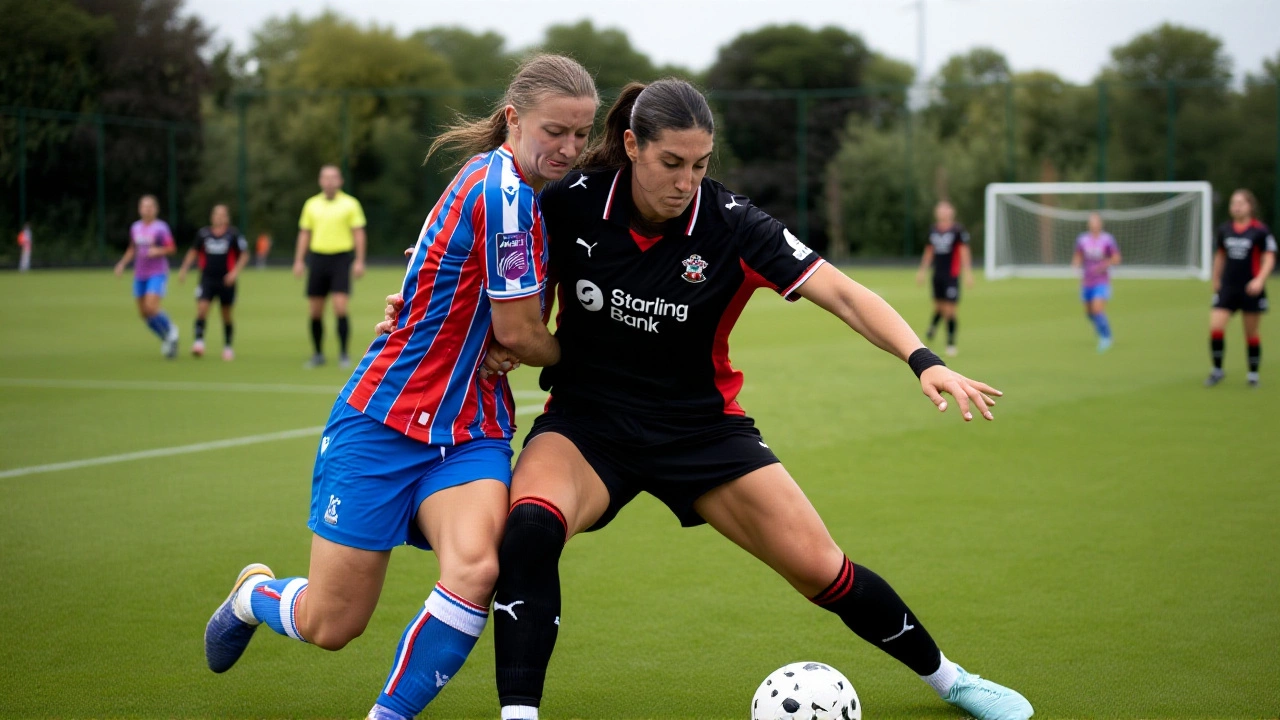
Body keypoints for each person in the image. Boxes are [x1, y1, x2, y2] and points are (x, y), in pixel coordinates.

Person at [381, 79, 1031, 720]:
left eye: (699, 165)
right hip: (587, 428)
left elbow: (844, 294)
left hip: (702, 434)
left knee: (822, 569)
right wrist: (414, 308)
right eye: (670, 163)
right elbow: (477, 266)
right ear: (631, 145)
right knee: (527, 531)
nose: (685, 181)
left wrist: (924, 360)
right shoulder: (572, 202)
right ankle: (518, 715)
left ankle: (953, 680)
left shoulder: (734, 225)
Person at [203, 55, 599, 720]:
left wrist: (500, 341)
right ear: (513, 120)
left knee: (476, 567)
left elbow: (462, 302)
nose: (568, 147)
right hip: (382, 422)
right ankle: (254, 597)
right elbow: (523, 332)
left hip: (470, 431)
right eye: (554, 130)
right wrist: (578, 357)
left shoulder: (533, 199)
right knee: (332, 623)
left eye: (581, 134)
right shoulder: (500, 192)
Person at [294, 165, 367, 368]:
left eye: (333, 177)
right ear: (320, 181)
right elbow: (305, 233)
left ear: (340, 181)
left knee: (340, 307)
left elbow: (358, 233)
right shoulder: (311, 205)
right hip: (317, 259)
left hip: (340, 259)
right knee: (315, 311)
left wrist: (359, 260)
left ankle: (343, 353)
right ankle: (318, 354)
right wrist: (299, 260)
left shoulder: (350, 204)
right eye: (325, 177)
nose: (329, 181)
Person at [1206, 188, 1276, 388]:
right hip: (1228, 287)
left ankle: (1253, 374)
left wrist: (1260, 280)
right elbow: (1220, 256)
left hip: (1250, 289)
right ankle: (1217, 370)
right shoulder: (1224, 230)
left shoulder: (1260, 231)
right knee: (1216, 327)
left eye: (1240, 203)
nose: (1236, 207)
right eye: (1233, 203)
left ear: (1250, 206)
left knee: (1251, 333)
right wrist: (1216, 279)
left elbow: (1269, 258)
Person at [177, 204, 249, 360]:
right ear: (212, 216)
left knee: (226, 315)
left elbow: (244, 255)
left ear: (227, 217)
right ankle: (199, 342)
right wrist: (184, 269)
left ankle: (228, 347)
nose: (219, 217)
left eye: (223, 214)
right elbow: (193, 252)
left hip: (226, 281)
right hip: (207, 279)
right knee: (202, 309)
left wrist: (234, 273)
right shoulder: (204, 234)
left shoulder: (233, 234)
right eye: (217, 214)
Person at [114, 195, 179, 358]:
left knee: (151, 306)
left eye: (150, 206)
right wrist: (122, 263)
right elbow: (132, 249)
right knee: (143, 313)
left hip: (157, 272)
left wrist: (158, 250)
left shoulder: (161, 228)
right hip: (140, 273)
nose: (147, 209)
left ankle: (171, 330)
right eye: (144, 206)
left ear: (155, 209)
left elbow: (171, 248)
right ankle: (166, 339)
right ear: (140, 209)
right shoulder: (135, 227)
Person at [915, 201, 972, 356]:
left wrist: (968, 273)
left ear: (952, 212)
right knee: (939, 308)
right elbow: (929, 251)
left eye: (946, 209)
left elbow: (964, 251)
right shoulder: (933, 230)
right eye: (940, 210)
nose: (943, 212)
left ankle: (951, 343)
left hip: (951, 275)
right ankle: (932, 329)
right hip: (937, 275)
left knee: (950, 311)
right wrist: (922, 271)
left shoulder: (957, 231)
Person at [1070, 212, 1121, 352]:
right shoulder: (1082, 239)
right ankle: (1101, 328)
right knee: (1089, 313)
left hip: (1101, 281)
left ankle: (1106, 337)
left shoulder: (1107, 240)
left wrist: (1105, 264)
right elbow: (1078, 255)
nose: (1094, 225)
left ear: (1100, 224)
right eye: (1091, 222)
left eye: (1096, 222)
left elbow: (1116, 258)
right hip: (1087, 281)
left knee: (1097, 309)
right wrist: (1075, 265)